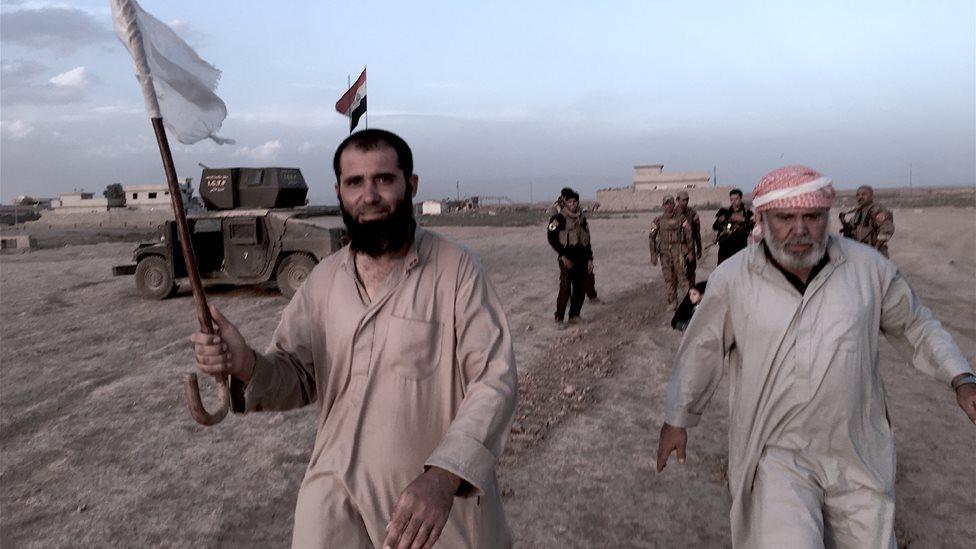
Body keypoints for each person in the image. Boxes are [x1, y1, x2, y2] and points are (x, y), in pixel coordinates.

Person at [190, 129, 518, 549]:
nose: (370, 195)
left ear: (410, 185)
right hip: (333, 504)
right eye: (355, 183)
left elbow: (494, 380)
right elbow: (296, 375)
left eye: (384, 179)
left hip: (427, 509)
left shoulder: (457, 271)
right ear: (340, 193)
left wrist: (444, 475)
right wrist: (247, 364)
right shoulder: (324, 279)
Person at [656, 165, 976, 548]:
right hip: (775, 450)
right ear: (762, 220)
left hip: (856, 449)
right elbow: (701, 350)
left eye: (812, 217)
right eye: (785, 218)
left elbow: (916, 326)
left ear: (827, 218)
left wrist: (961, 377)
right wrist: (677, 418)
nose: (800, 229)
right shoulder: (734, 278)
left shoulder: (868, 269)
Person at [547, 187, 594, 324]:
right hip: (566, 258)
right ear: (565, 203)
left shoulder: (582, 219)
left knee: (580, 288)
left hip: (581, 258)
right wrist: (562, 256)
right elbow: (552, 238)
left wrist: (590, 259)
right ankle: (559, 317)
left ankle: (574, 315)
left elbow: (587, 240)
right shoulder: (558, 219)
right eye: (570, 202)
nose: (573, 205)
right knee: (565, 288)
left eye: (575, 202)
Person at [649, 195, 693, 310]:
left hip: (678, 252)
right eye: (666, 204)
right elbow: (651, 237)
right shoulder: (657, 220)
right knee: (669, 279)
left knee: (682, 278)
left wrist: (690, 252)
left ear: (674, 205)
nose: (669, 206)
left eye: (671, 203)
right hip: (665, 254)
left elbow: (688, 235)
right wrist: (653, 255)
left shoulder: (682, 219)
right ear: (663, 205)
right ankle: (672, 302)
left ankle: (690, 302)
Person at [839, 184, 894, 257]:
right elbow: (856, 225)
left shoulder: (876, 210)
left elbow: (887, 229)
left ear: (871, 196)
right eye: (858, 195)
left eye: (864, 194)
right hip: (861, 250)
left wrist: (875, 248)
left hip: (875, 251)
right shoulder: (860, 210)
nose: (860, 197)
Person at [712, 188, 754, 264]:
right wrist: (720, 221)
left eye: (736, 199)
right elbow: (715, 227)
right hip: (725, 248)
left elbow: (753, 227)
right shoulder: (724, 211)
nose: (733, 201)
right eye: (731, 199)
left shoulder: (747, 213)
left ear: (741, 199)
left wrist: (743, 220)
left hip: (740, 247)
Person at [675, 191, 702, 286]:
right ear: (677, 200)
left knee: (691, 273)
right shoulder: (671, 213)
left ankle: (691, 296)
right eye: (683, 200)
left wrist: (699, 247)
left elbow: (697, 232)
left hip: (690, 247)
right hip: (677, 247)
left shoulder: (692, 213)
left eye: (687, 200)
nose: (685, 202)